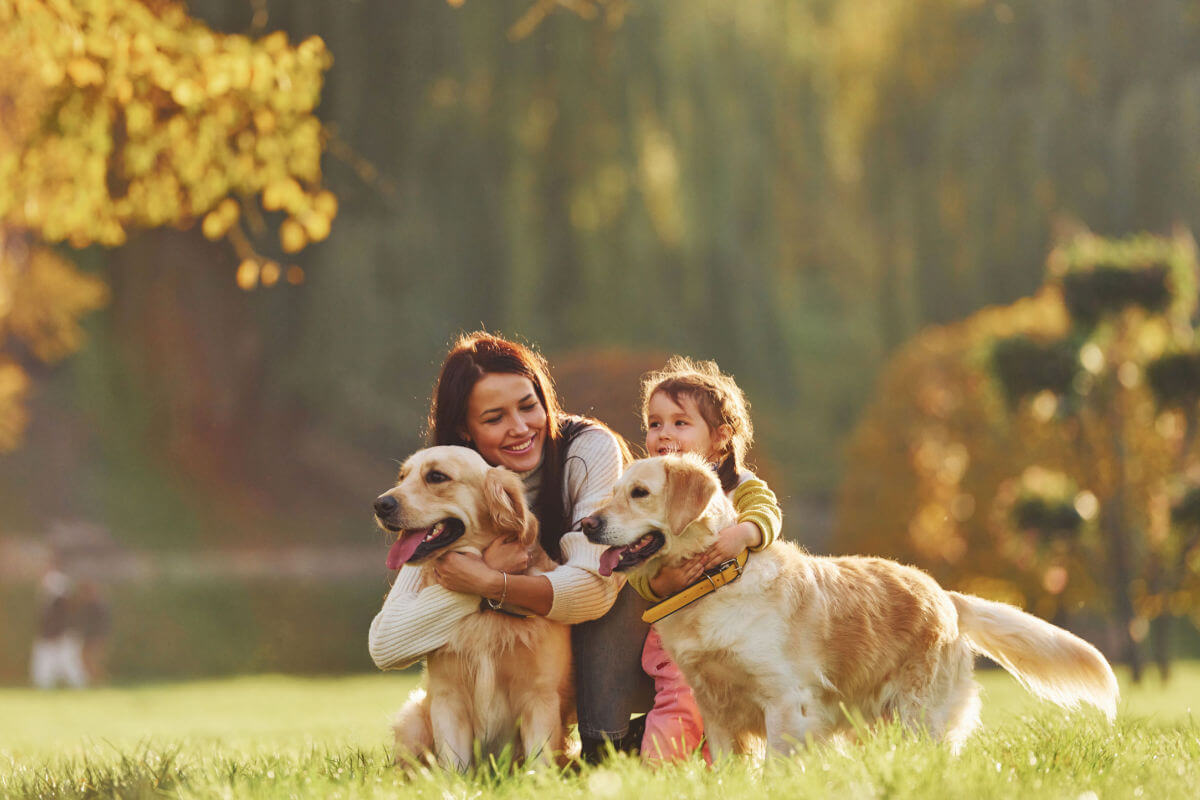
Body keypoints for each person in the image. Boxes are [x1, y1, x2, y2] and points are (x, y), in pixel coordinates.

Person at [368, 332, 654, 760]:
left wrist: (491, 583)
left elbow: (593, 590)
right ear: (466, 428)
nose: (520, 428)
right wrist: (470, 587)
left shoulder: (587, 449)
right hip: (519, 644)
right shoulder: (446, 484)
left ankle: (604, 746)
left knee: (616, 575)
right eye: (494, 417)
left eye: (528, 405)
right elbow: (388, 645)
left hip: (608, 638)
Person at [628, 356, 783, 763]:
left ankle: (729, 782)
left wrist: (745, 534)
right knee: (680, 704)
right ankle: (658, 777)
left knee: (732, 716)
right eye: (654, 423)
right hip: (678, 635)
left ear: (720, 437)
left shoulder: (740, 486)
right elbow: (634, 563)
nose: (664, 434)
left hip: (735, 630)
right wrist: (658, 584)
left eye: (680, 423)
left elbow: (769, 514)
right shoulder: (650, 489)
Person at [29, 563, 87, 689]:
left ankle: (78, 686)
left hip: (60, 638)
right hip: (54, 637)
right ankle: (45, 685)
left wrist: (55, 635)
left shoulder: (60, 604)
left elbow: (61, 622)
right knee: (50, 663)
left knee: (68, 663)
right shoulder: (53, 603)